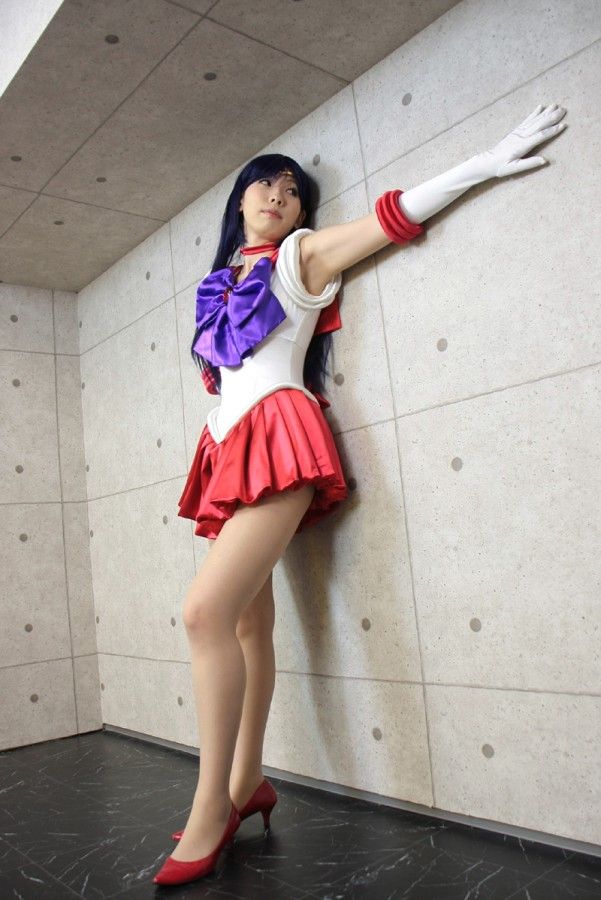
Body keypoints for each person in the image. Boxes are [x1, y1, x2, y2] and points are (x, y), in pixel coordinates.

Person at [153, 102, 567, 886]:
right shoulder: (217, 282)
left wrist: (485, 159)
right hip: (225, 448)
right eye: (265, 183)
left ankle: (210, 808)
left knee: (203, 613)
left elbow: (392, 216)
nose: (278, 196)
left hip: (279, 435)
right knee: (244, 623)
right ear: (239, 198)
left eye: (292, 191)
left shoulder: (300, 256)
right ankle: (246, 784)